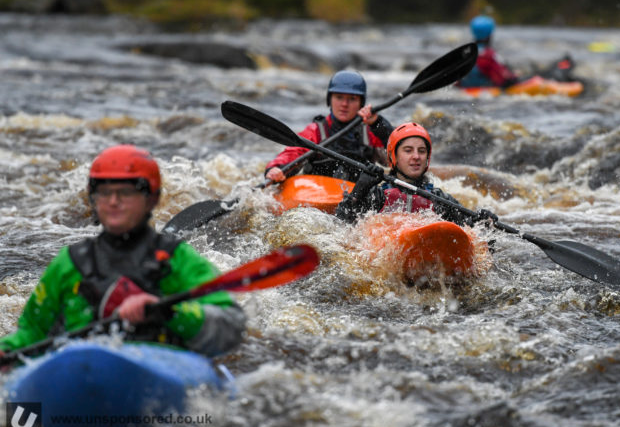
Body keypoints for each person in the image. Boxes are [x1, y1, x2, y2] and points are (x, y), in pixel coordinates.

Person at [0, 145, 246, 358]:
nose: (113, 201)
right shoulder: (70, 263)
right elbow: (32, 333)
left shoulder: (178, 259)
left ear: (152, 199)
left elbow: (230, 327)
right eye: (105, 192)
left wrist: (169, 311)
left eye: (126, 192)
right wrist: (7, 349)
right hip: (80, 373)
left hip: (160, 368)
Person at [335, 122, 497, 226]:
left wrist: (483, 223)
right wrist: (359, 190)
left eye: (421, 151)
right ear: (393, 157)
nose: (416, 157)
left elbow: (474, 238)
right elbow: (341, 223)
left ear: (428, 158)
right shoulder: (377, 196)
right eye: (408, 150)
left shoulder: (440, 200)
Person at [265, 70, 393, 183]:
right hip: (319, 194)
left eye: (352, 99)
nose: (344, 104)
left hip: (356, 196)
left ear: (361, 103)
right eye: (339, 97)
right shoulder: (316, 131)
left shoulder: (370, 132)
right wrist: (277, 168)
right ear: (330, 100)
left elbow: (396, 155)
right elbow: (293, 153)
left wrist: (378, 123)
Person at [458, 15, 519, 88]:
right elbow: (503, 79)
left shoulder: (464, 53)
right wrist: (514, 78)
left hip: (465, 89)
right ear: (490, 35)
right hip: (486, 90)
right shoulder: (490, 55)